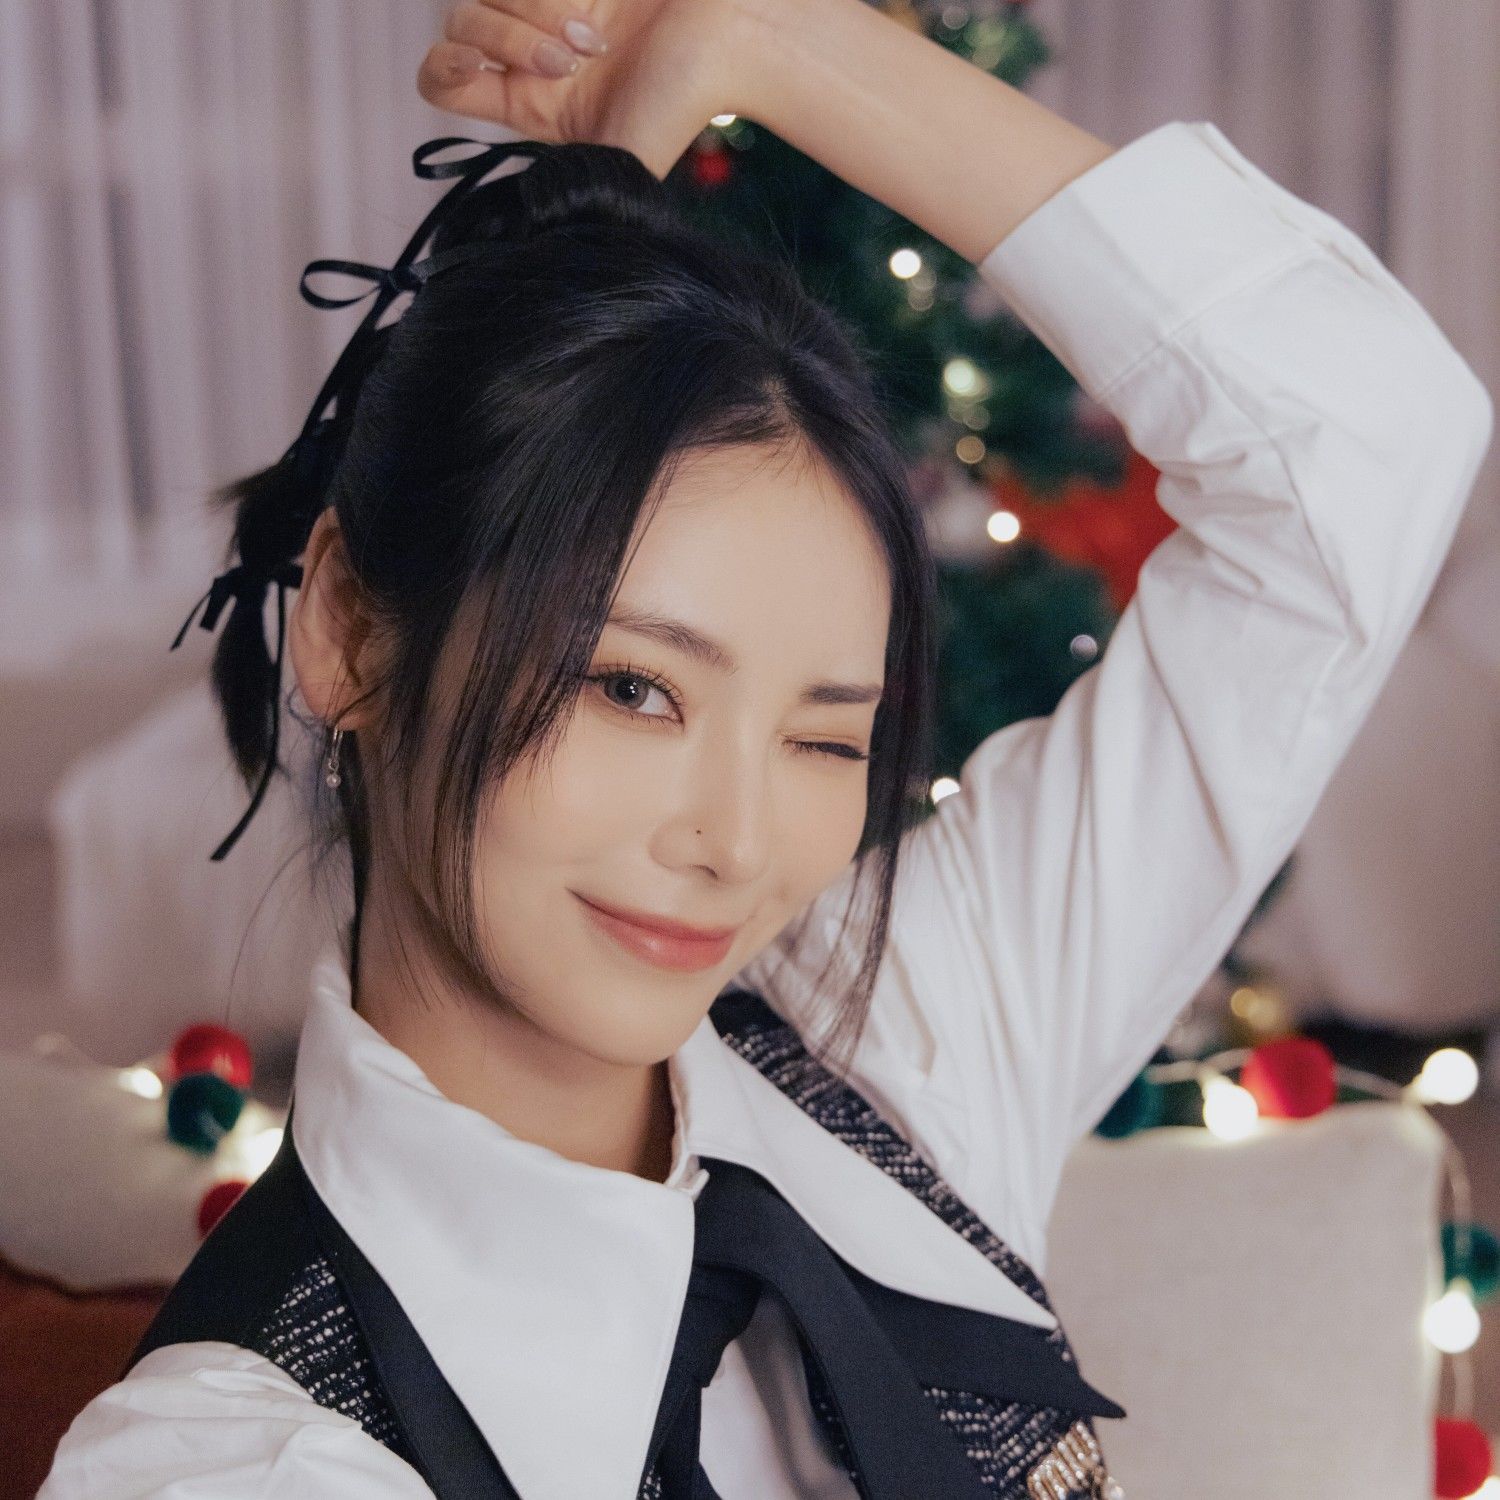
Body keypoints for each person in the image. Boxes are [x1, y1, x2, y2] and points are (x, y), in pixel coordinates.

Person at [39, 0, 1494, 1495]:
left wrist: (774, 45)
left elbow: (1362, 445)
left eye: (823, 736)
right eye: (635, 689)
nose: (736, 845)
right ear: (350, 628)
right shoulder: (243, 1457)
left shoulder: (891, 1050)